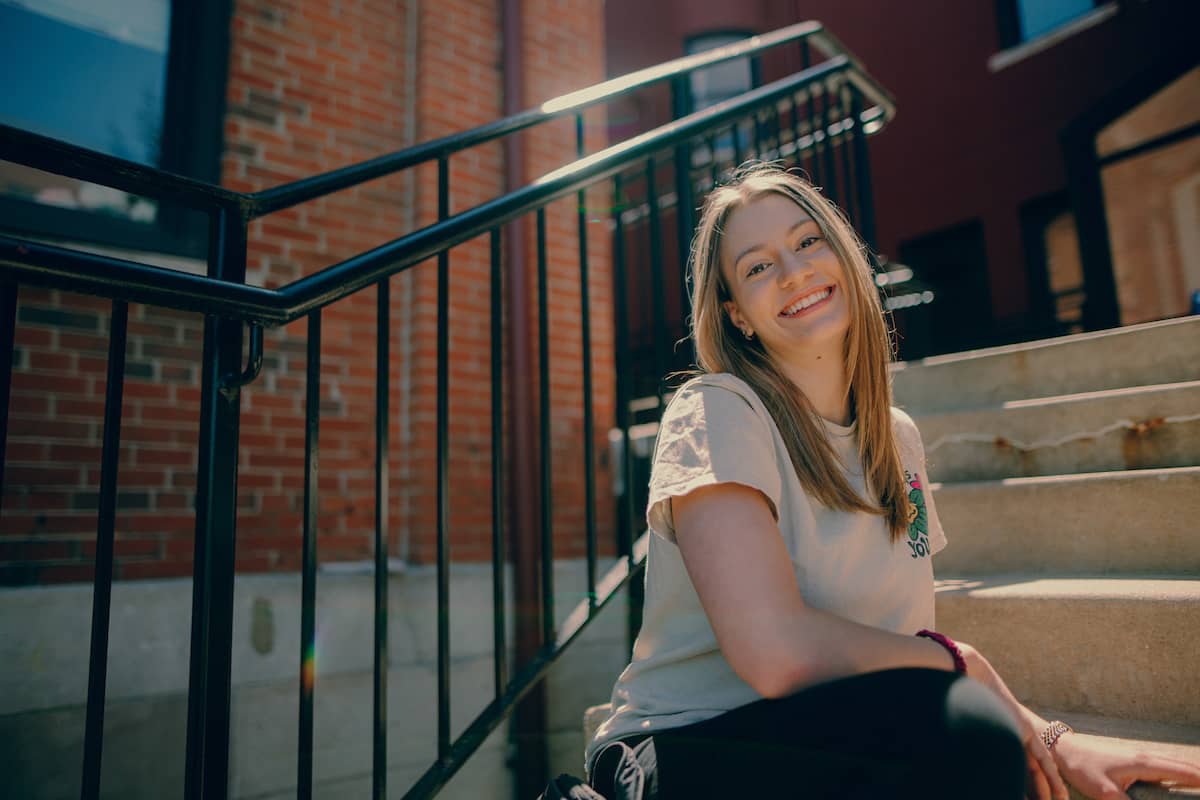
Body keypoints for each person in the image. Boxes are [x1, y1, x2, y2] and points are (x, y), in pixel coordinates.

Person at [584, 164, 1200, 800]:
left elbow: (896, 648)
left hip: (824, 733)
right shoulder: (716, 411)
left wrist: (1054, 739)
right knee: (964, 732)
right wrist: (961, 660)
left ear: (846, 259)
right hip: (681, 745)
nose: (794, 272)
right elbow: (775, 654)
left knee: (965, 730)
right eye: (758, 267)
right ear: (737, 315)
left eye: (806, 242)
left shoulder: (896, 438)